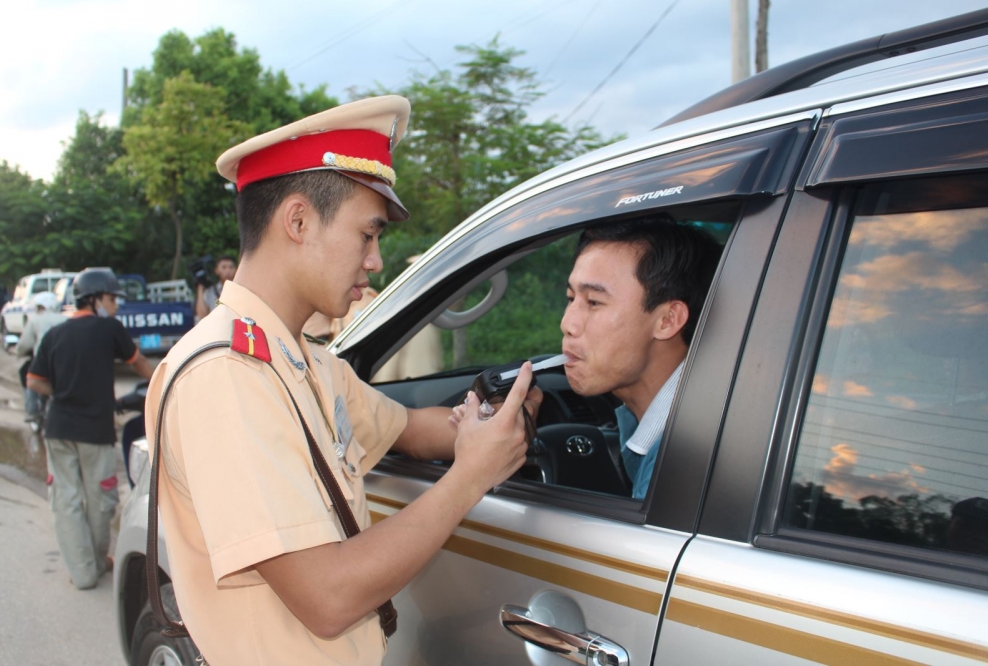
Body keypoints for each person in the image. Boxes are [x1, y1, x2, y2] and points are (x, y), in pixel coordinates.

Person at [146, 95, 541, 664]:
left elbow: (410, 427)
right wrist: (469, 477)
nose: (376, 260)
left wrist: (491, 424)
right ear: (299, 221)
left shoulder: (306, 361)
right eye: (368, 234)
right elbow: (328, 598)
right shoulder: (225, 375)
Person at [560, 218, 721, 500]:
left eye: (594, 302)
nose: (567, 323)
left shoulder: (679, 465)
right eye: (571, 298)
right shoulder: (704, 413)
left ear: (667, 320)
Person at [26, 267, 155, 589]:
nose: (115, 306)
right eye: (112, 299)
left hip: (58, 429)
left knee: (66, 500)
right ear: (95, 299)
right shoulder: (109, 328)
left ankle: (83, 572)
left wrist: (62, 392)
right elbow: (138, 364)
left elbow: (33, 381)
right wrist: (163, 382)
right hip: (95, 432)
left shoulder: (54, 334)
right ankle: (95, 563)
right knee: (101, 500)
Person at [15, 291, 66, 431]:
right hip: (64, 363)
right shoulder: (65, 319)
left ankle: (32, 412)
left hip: (43, 363)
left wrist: (17, 353)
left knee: (26, 375)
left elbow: (25, 343)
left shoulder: (35, 320)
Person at [194, 255, 237, 319]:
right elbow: (201, 314)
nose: (227, 271)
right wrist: (200, 287)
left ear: (236, 270)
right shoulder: (210, 291)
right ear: (216, 270)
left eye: (231, 267)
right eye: (224, 267)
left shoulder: (240, 290)